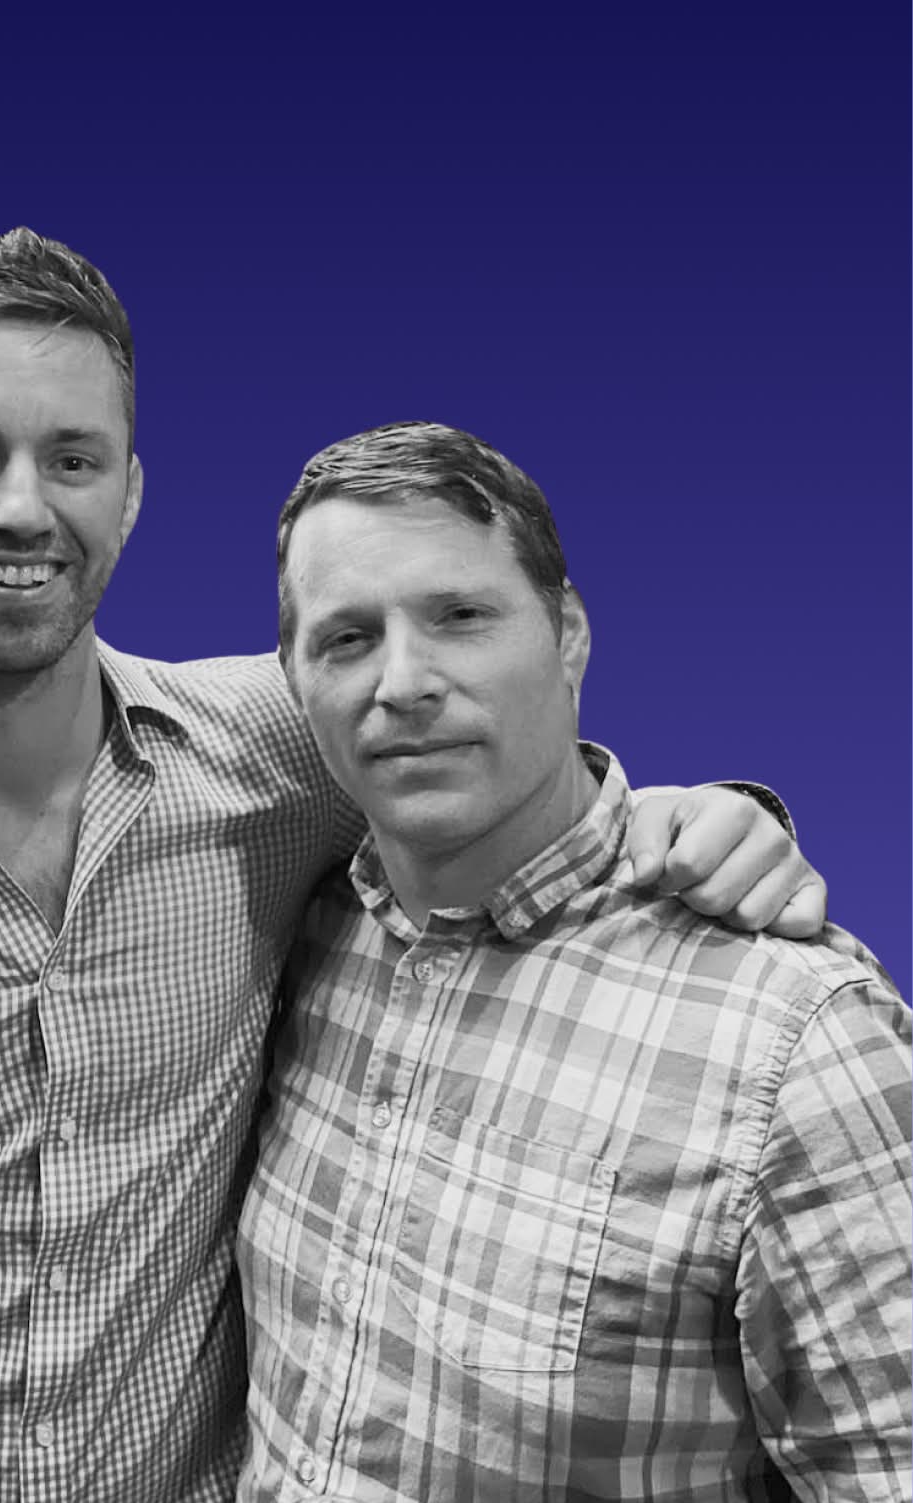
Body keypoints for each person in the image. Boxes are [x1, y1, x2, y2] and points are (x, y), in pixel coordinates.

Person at [0, 231, 828, 1503]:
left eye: (72, 459)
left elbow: (491, 770)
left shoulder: (280, 746)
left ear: (130, 495)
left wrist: (707, 816)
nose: (22, 506)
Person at [237, 421, 910, 1502]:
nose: (402, 682)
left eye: (460, 617)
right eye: (347, 639)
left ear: (569, 635)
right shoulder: (298, 933)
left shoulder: (797, 1043)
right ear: (294, 679)